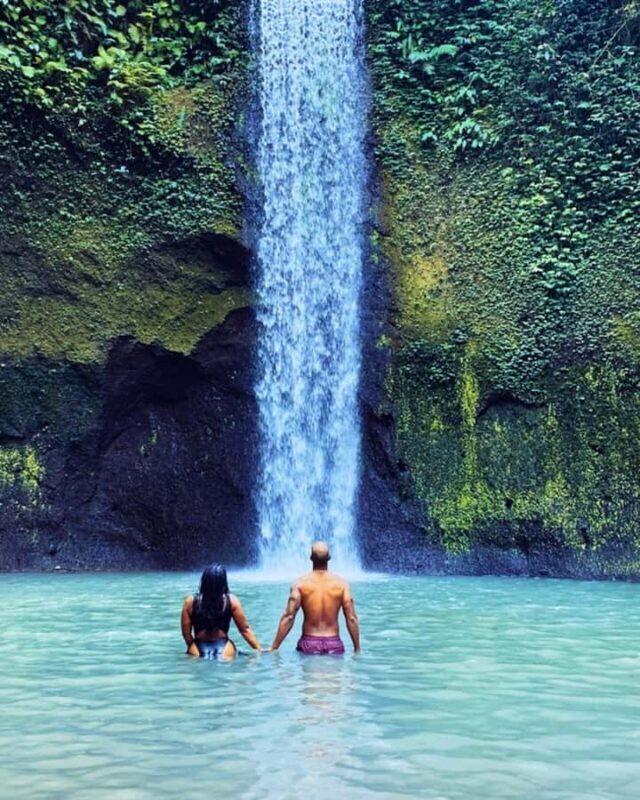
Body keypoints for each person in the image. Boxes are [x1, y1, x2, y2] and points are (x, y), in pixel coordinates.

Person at [269, 541, 360, 655]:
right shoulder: (342, 585)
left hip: (308, 643)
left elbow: (289, 617)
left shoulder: (299, 584)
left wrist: (274, 646)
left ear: (311, 558)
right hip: (334, 644)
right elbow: (351, 618)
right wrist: (357, 648)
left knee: (308, 672)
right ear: (329, 558)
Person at [181, 563, 262, 659]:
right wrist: (259, 649)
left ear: (204, 581)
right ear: (224, 584)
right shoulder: (232, 601)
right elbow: (245, 630)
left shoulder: (190, 602)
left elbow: (186, 634)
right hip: (225, 648)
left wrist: (192, 647)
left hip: (197, 648)